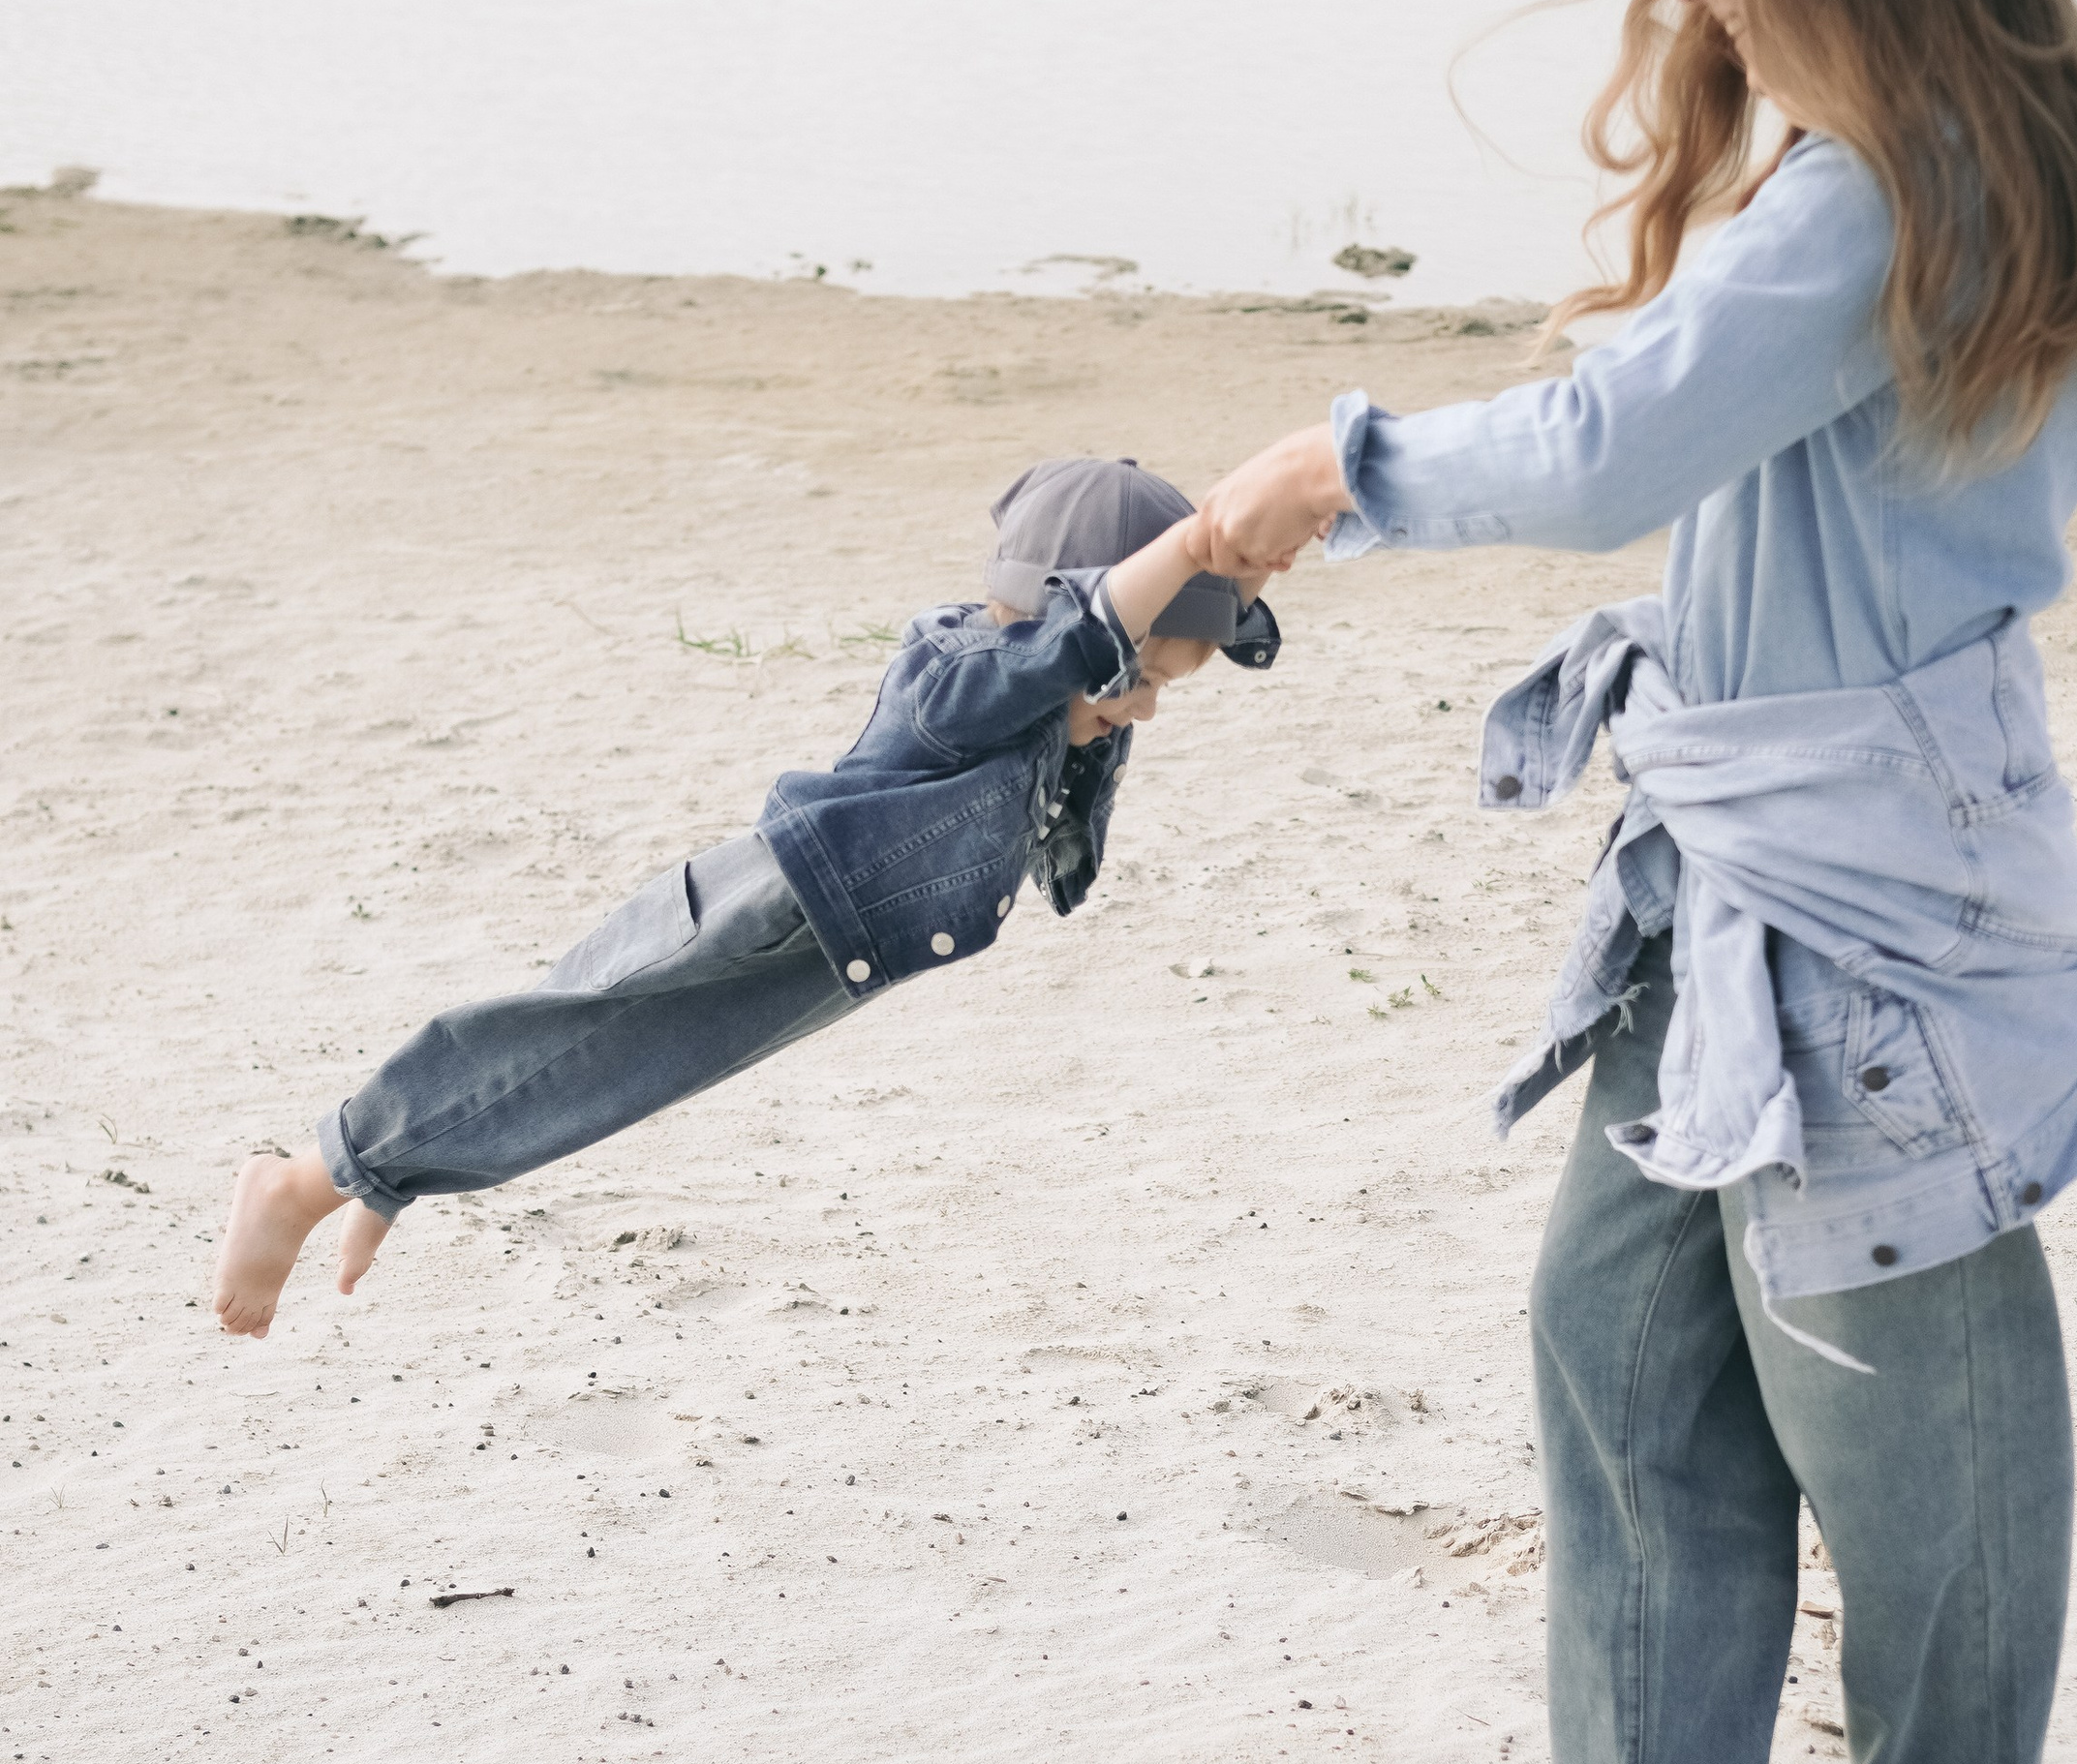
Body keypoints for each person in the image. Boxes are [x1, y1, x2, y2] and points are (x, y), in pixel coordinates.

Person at [1197, 0, 2077, 1764]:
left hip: (1868, 870)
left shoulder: (1884, 191)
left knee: (1899, 1373)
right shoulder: (1913, 150)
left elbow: (1613, 449)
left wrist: (1330, 471)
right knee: (1617, 1332)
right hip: (1751, 850)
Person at [212, 459, 1279, 1337]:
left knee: (585, 1077)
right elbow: (1073, 639)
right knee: (559, 1047)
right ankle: (300, 1186)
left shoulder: (1049, 698)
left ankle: (378, 1181)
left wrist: (1264, 540)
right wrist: (1184, 553)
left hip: (831, 941)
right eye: (1142, 678)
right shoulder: (965, 683)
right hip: (778, 905)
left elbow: (1123, 647)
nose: (1145, 707)